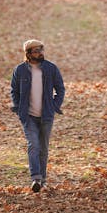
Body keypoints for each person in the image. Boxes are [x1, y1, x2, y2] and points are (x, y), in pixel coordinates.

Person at [10, 38, 65, 192]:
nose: (40, 53)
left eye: (41, 49)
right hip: (28, 116)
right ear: (28, 54)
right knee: (33, 145)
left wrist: (54, 105)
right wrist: (18, 107)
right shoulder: (20, 70)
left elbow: (60, 89)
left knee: (43, 148)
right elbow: (14, 90)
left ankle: (43, 179)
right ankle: (36, 178)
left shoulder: (51, 69)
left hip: (46, 115)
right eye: (36, 50)